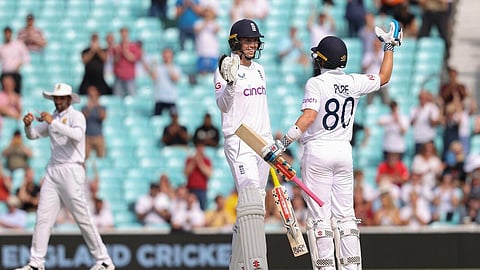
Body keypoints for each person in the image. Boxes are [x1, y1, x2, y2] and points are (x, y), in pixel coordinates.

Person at [264, 20, 402, 269]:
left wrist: (282, 144)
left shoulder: (315, 83)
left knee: (320, 218)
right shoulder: (353, 81)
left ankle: (326, 267)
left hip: (318, 151)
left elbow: (308, 117)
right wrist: (389, 47)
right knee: (346, 216)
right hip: (343, 152)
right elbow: (384, 77)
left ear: (321, 59)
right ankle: (352, 266)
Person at [18, 83, 115, 270]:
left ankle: (103, 260)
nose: (58, 101)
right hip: (53, 170)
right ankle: (36, 263)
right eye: (56, 98)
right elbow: (33, 136)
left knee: (81, 216)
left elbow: (77, 135)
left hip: (72, 169)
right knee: (43, 217)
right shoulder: (53, 118)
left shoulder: (77, 116)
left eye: (62, 98)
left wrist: (51, 123)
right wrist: (28, 126)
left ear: (69, 99)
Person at [215, 18, 272, 269]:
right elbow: (223, 105)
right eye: (247, 41)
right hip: (239, 141)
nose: (251, 45)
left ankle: (238, 264)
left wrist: (270, 144)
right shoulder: (225, 67)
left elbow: (262, 110)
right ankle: (256, 264)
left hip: (261, 143)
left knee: (255, 205)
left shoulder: (259, 69)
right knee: (249, 196)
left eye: (254, 41)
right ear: (236, 42)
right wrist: (229, 84)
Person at [147, 47, 182, 116]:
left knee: (174, 117)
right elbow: (153, 78)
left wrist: (169, 66)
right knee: (157, 118)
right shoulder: (158, 67)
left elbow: (175, 78)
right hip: (159, 98)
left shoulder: (176, 67)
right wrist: (153, 65)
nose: (166, 57)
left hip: (171, 98)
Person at [113, 27, 142, 97]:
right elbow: (115, 61)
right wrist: (118, 52)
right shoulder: (117, 47)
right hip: (119, 77)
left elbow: (133, 58)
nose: (124, 35)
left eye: (125, 33)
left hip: (130, 78)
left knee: (132, 98)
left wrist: (125, 50)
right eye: (122, 33)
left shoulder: (134, 46)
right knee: (118, 98)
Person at [0, 26, 30, 94]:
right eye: (6, 33)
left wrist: (20, 64)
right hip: (5, 72)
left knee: (16, 93)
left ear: (11, 34)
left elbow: (26, 56)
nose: (7, 35)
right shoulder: (2, 47)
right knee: (5, 94)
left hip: (15, 73)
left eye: (8, 33)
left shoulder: (18, 44)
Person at [184, 139, 212, 210]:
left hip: (202, 189)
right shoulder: (190, 160)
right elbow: (186, 173)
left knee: (202, 209)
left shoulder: (207, 160)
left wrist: (200, 162)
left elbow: (209, 174)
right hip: (191, 188)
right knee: (190, 208)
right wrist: (193, 162)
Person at [193, 5, 220, 76]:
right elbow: (197, 30)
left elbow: (217, 30)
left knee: (214, 74)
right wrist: (206, 22)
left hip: (213, 53)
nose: (207, 15)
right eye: (206, 13)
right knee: (202, 73)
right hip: (202, 52)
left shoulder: (214, 23)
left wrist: (211, 20)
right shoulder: (198, 23)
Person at [81, 85, 107, 160]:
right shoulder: (85, 108)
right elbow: (83, 118)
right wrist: (90, 107)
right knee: (85, 157)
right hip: (87, 136)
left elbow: (103, 117)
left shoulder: (102, 107)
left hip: (98, 136)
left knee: (101, 156)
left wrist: (97, 105)